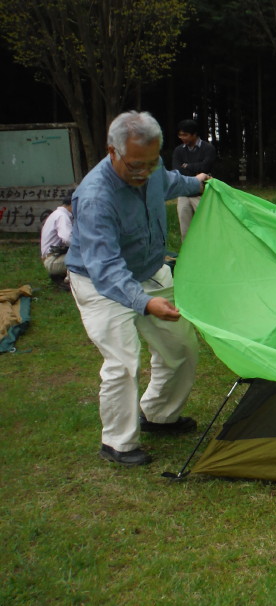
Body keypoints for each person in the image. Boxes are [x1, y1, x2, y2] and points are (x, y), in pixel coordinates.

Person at [65, 111, 210, 467]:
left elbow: (171, 182)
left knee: (181, 349)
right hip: (100, 283)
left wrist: (200, 183)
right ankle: (117, 443)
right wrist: (145, 304)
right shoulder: (96, 197)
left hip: (148, 270)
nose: (143, 172)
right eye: (134, 165)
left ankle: (159, 415)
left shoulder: (152, 168)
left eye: (151, 162)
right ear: (112, 152)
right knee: (123, 360)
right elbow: (106, 269)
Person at [171, 118, 216, 241]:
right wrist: (195, 169)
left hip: (202, 193)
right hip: (184, 194)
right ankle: (188, 254)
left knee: (207, 225)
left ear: (194, 134)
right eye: (180, 135)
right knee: (185, 229)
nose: (182, 138)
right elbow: (177, 170)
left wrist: (188, 166)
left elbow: (205, 168)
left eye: (185, 135)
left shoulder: (208, 149)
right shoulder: (179, 151)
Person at [40, 198, 73, 290]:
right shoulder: (62, 216)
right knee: (89, 256)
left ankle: (64, 276)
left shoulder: (57, 214)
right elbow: (67, 239)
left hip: (51, 258)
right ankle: (69, 280)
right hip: (53, 260)